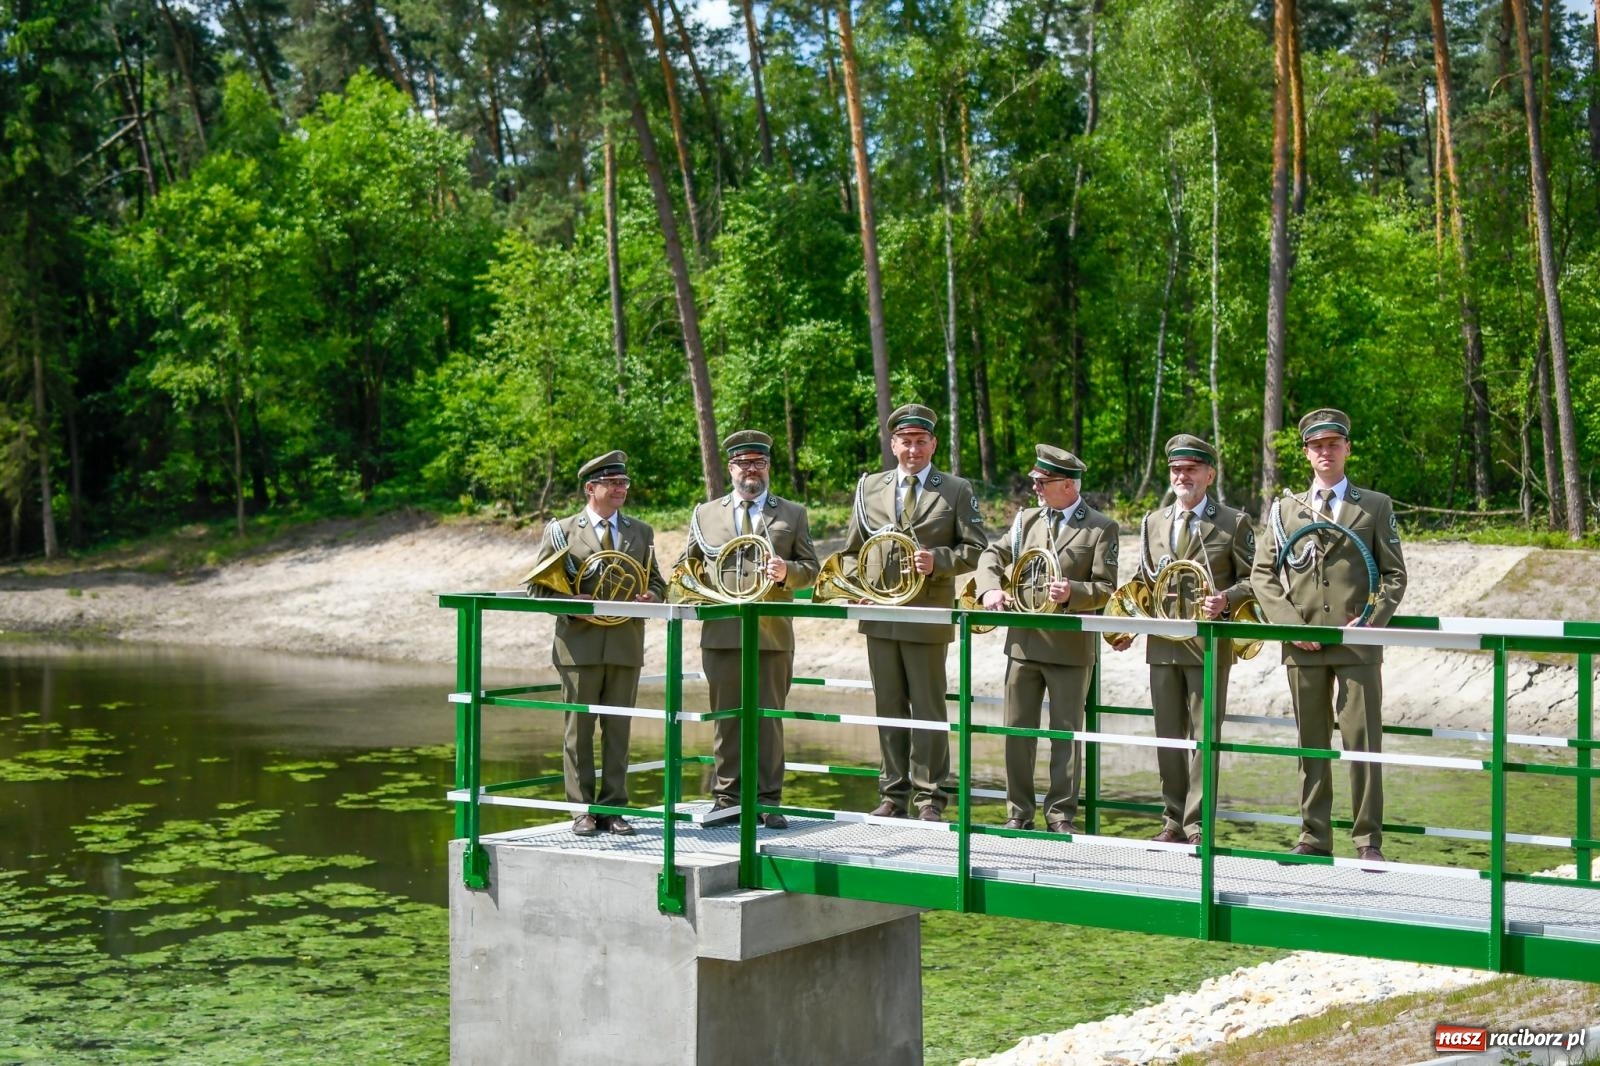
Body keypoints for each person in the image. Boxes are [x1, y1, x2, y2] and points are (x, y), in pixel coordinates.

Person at [1250, 408, 1407, 863]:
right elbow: (1263, 574)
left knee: (1363, 744)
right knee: (1310, 745)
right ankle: (1314, 836)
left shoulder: (1374, 505)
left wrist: (1371, 622)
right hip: (1302, 645)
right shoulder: (1284, 510)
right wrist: (1291, 626)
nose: (1325, 452)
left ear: (1347, 449)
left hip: (1357, 645)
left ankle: (1367, 841)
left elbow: (1394, 576)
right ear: (1306, 453)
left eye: (1333, 444)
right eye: (1317, 446)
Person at [845, 403, 988, 821]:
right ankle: (893, 794)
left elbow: (975, 549)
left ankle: (930, 798)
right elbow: (853, 551)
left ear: (933, 444)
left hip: (928, 615)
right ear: (893, 444)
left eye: (920, 441)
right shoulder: (869, 487)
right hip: (881, 616)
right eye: (905, 441)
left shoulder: (956, 489)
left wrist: (938, 561)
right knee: (888, 706)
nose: (913, 449)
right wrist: (858, 588)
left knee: (928, 709)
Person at [1114, 434, 1253, 846]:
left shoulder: (1234, 521)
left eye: (1191, 469)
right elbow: (1144, 580)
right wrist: (1126, 625)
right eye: (1176, 469)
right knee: (1167, 737)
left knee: (1204, 737)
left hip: (1208, 646)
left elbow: (1256, 581)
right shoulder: (1152, 522)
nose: (1182, 476)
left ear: (1209, 474)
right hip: (1162, 644)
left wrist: (1225, 600)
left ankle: (1197, 825)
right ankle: (1172, 820)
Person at [973, 445, 1117, 833]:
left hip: (1070, 647)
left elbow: (1107, 588)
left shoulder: (1101, 527)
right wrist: (989, 590)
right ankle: (1018, 814)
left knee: (1065, 737)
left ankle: (1060, 816)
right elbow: (991, 555)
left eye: (1042, 481)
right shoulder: (1026, 521)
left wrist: (1074, 593)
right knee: (1017, 733)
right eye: (1034, 479)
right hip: (1023, 643)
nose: (1034, 487)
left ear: (1068, 485)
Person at [680, 430, 820, 829]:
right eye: (743, 463)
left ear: (768, 467)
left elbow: (812, 569)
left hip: (771, 634)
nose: (750, 470)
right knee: (726, 721)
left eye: (758, 462)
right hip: (721, 634)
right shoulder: (705, 514)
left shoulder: (792, 513)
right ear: (731, 468)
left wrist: (787, 572)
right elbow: (684, 569)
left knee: (768, 721)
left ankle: (768, 800)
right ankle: (727, 798)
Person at [530, 450, 667, 837]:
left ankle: (613, 809)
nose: (622, 488)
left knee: (619, 731)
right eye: (614, 483)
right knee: (579, 731)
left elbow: (656, 580)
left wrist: (652, 597)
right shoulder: (561, 531)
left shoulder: (641, 531)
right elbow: (537, 589)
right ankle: (581, 810)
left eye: (624, 482)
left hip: (625, 644)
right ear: (592, 488)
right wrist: (573, 607)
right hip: (579, 647)